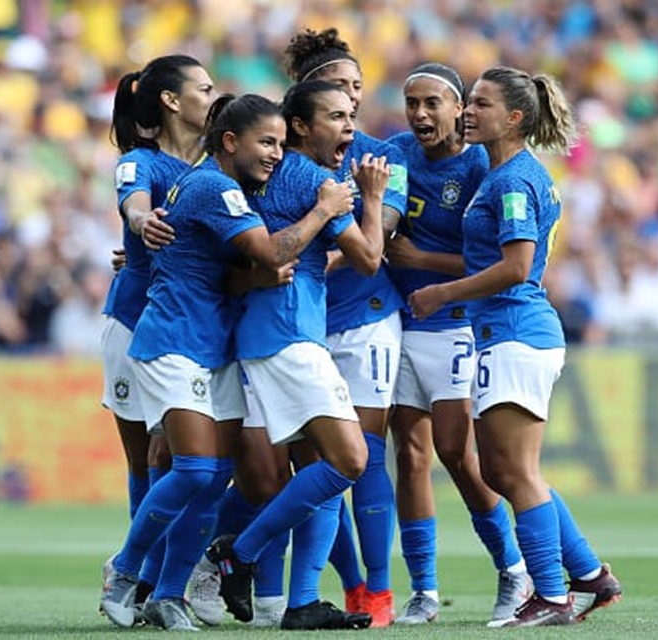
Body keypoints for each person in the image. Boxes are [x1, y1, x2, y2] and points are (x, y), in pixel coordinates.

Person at [100, 92, 352, 630]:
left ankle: (169, 594)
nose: (276, 156)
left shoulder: (225, 188)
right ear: (230, 141)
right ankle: (125, 571)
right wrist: (324, 211)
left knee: (214, 479)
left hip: (215, 348)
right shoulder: (215, 186)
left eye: (282, 145)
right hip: (174, 343)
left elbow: (243, 265)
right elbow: (271, 254)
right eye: (266, 142)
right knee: (192, 470)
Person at [408, 65, 623, 627]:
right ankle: (588, 574)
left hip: (515, 332)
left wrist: (440, 293)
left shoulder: (511, 182)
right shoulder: (508, 173)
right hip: (507, 335)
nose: (469, 112)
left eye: (480, 104)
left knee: (515, 472)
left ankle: (552, 594)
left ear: (515, 117)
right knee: (506, 472)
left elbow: (517, 267)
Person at [208, 79, 391, 631]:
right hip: (289, 338)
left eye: (351, 115)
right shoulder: (315, 179)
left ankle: (300, 599)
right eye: (336, 116)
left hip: (254, 337)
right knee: (350, 460)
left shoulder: (249, 178)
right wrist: (373, 197)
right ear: (302, 128)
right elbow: (368, 259)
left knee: (306, 470)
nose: (348, 127)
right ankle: (235, 554)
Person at [385, 62, 530, 626]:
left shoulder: (479, 165)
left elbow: (499, 261)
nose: (421, 114)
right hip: (403, 323)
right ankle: (423, 589)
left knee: (455, 452)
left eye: (433, 104)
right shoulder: (398, 152)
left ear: (459, 109)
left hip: (456, 324)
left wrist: (422, 261)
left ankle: (512, 567)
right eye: (412, 103)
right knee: (412, 457)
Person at [282, 27, 407, 627]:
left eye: (358, 87)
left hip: (365, 320)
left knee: (367, 457)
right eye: (338, 87)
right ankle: (348, 584)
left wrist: (292, 253)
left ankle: (377, 592)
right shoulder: (274, 160)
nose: (352, 98)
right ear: (306, 102)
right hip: (299, 324)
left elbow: (373, 248)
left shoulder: (384, 157)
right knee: (316, 465)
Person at [100, 54, 215, 609]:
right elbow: (134, 201)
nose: (213, 96)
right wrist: (143, 222)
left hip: (193, 326)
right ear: (172, 100)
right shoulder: (140, 161)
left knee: (179, 460)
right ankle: (143, 579)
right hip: (134, 321)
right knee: (148, 459)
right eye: (204, 88)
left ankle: (150, 575)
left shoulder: (221, 161)